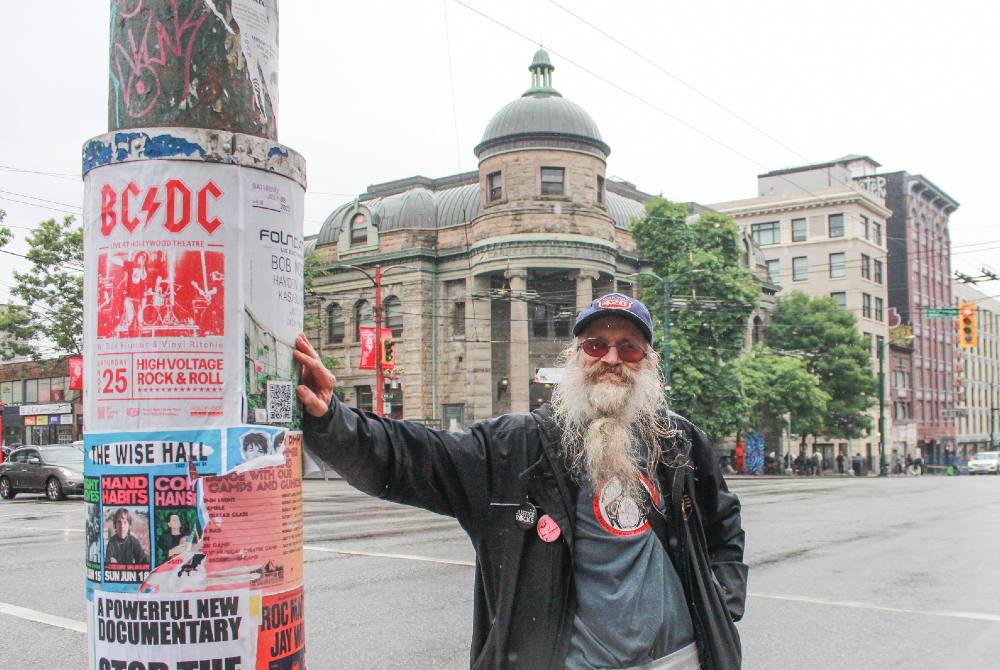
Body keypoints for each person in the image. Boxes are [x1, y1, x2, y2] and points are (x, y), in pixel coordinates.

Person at [297, 293, 747, 670]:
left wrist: (723, 599)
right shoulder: (514, 446)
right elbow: (416, 456)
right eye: (596, 345)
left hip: (681, 659)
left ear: (647, 363)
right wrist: (333, 420)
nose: (611, 358)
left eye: (628, 348)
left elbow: (722, 522)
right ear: (574, 356)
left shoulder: (677, 440)